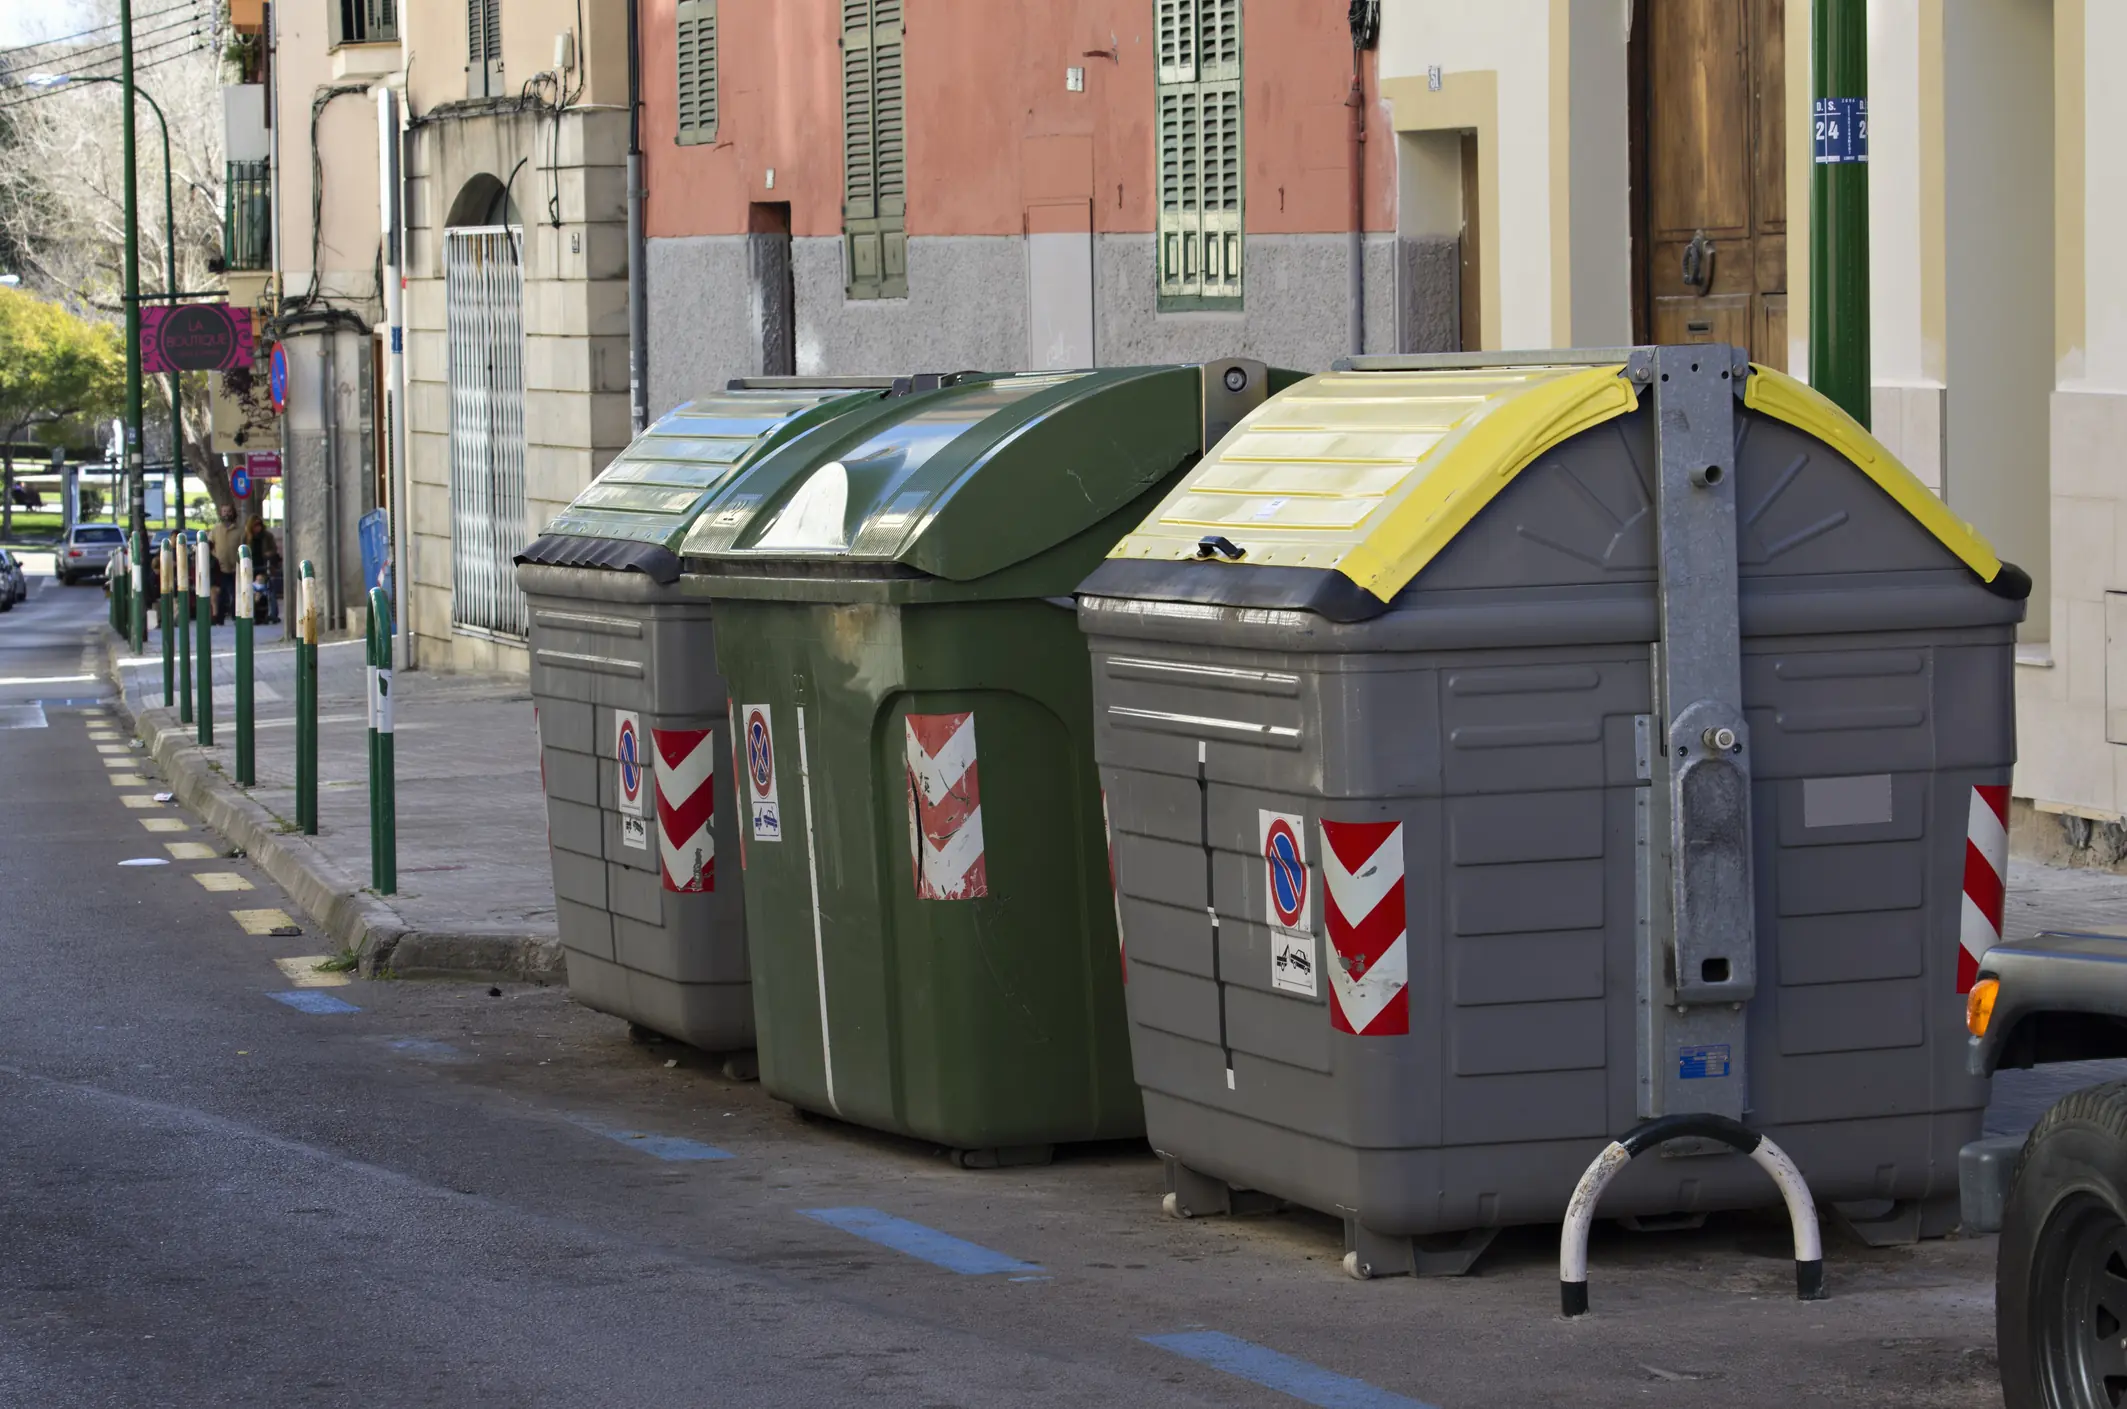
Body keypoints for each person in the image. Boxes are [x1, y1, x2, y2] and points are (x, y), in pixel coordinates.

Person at [208, 504, 244, 626]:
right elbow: (209, 544)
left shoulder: (239, 530)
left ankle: (236, 616)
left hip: (235, 568)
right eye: (224, 511)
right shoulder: (215, 529)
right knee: (221, 594)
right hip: (220, 568)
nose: (226, 514)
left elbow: (244, 546)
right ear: (220, 513)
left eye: (229, 511)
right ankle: (219, 618)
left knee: (235, 593)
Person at [243, 514, 281, 624]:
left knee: (268, 590)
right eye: (255, 525)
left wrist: (268, 554)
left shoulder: (267, 536)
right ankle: (251, 613)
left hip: (264, 566)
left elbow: (273, 549)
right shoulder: (246, 536)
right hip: (250, 566)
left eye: (259, 525)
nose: (257, 528)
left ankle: (272, 614)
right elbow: (241, 549)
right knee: (251, 591)